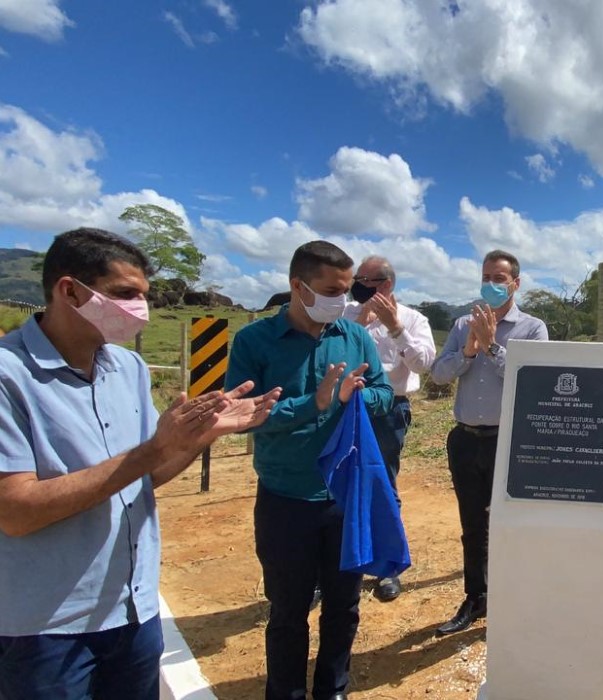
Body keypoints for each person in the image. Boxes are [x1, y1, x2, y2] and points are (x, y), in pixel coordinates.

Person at [0, 228, 279, 700]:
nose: (139, 309)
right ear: (69, 290)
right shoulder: (10, 377)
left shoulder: (127, 369)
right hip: (45, 628)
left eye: (143, 296)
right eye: (124, 294)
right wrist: (154, 448)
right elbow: (16, 511)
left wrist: (196, 438)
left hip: (133, 612)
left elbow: (143, 480)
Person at [226, 241, 394, 700]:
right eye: (332, 289)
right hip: (286, 496)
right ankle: (285, 691)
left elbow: (384, 393)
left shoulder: (353, 335)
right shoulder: (254, 341)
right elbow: (243, 415)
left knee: (344, 604)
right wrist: (314, 403)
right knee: (287, 608)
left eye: (347, 289)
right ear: (298, 286)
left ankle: (332, 688)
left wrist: (354, 396)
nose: (342, 299)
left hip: (344, 496)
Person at [430, 249, 548, 636]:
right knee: (472, 525)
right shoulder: (463, 324)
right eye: (486, 277)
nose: (491, 285)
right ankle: (475, 597)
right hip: (465, 440)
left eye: (500, 278)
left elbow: (533, 380)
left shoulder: (533, 328)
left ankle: (513, 598)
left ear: (516, 282)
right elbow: (440, 375)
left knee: (511, 523)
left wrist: (493, 346)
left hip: (510, 441)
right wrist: (468, 350)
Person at [343, 255, 436, 602]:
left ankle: (387, 568)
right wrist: (360, 323)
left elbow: (423, 365)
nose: (358, 285)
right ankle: (335, 568)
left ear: (386, 285)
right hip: (344, 407)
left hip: (388, 411)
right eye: (358, 278)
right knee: (336, 484)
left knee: (383, 484)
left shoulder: (413, 319)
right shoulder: (345, 314)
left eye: (366, 279)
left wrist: (395, 328)